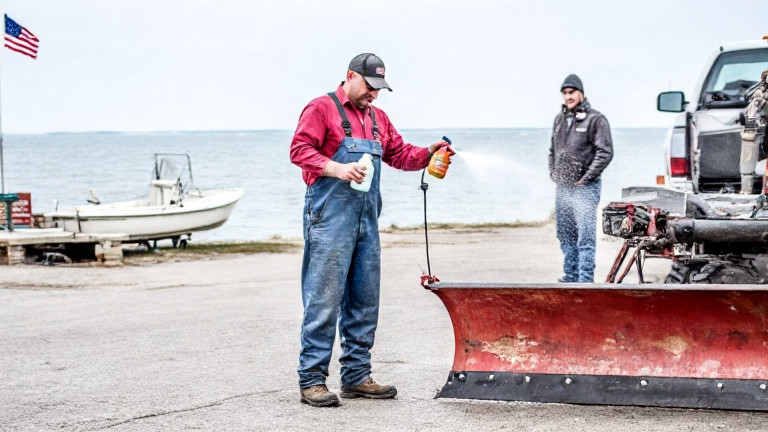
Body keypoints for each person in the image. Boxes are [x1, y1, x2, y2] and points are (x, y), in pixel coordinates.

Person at [289, 53, 453, 407]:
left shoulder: (379, 119)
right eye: (370, 86)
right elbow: (299, 150)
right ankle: (312, 380)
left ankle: (357, 376)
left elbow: (399, 155)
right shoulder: (321, 108)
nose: (374, 95)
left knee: (364, 298)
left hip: (366, 221)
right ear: (350, 76)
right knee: (324, 300)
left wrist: (429, 152)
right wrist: (335, 168)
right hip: (329, 219)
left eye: (380, 88)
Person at [548, 74, 613, 283]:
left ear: (581, 93)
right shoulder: (559, 120)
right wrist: (553, 173)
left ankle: (585, 282)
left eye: (572, 92)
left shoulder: (596, 119)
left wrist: (586, 178)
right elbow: (552, 150)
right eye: (565, 93)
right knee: (565, 235)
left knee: (585, 238)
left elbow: (605, 152)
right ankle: (570, 277)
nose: (568, 97)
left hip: (585, 188)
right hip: (562, 187)